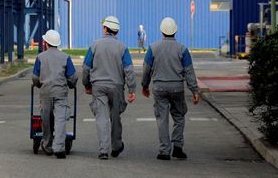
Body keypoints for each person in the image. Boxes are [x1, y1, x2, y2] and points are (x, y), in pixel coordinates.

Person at [141, 17, 200, 161]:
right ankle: (178, 147)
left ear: (161, 31)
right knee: (179, 116)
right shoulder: (182, 49)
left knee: (162, 119)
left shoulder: (153, 48)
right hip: (177, 88)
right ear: (175, 31)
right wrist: (194, 90)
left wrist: (145, 85)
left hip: (159, 87)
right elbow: (189, 71)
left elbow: (146, 69)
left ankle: (164, 151)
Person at [82, 15, 137, 160]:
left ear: (105, 28)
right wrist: (132, 90)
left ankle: (103, 150)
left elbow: (86, 67)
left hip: (98, 86)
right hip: (116, 86)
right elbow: (129, 70)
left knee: (101, 117)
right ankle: (116, 146)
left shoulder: (94, 45)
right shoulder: (122, 48)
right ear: (116, 31)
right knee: (115, 117)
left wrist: (87, 85)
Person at [32, 30, 78, 159]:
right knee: (60, 119)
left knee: (46, 119)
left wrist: (39, 84)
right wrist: (70, 84)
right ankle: (59, 147)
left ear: (46, 42)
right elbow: (73, 77)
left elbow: (35, 77)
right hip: (60, 92)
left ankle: (47, 145)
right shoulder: (65, 57)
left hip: (45, 92)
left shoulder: (40, 57)